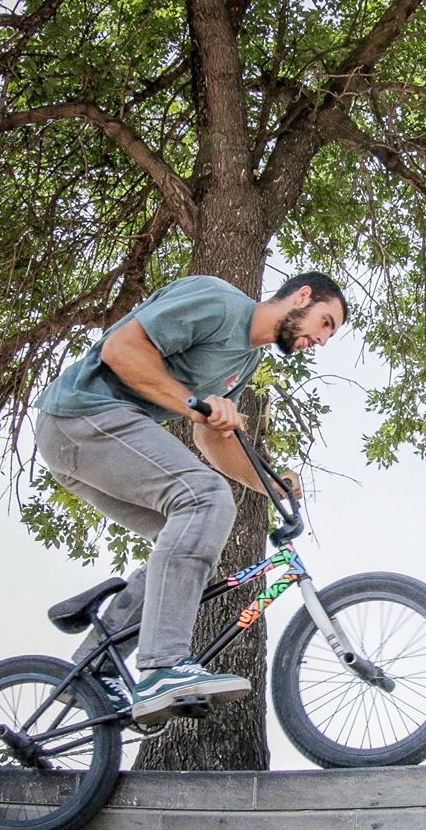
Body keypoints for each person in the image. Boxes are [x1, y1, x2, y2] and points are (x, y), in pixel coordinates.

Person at [33, 272, 347, 722]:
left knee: (191, 535)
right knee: (204, 499)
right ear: (301, 296)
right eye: (325, 322)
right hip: (82, 417)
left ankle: (92, 671)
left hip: (92, 446)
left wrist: (269, 484)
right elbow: (120, 350)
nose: (319, 339)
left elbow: (212, 436)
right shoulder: (220, 303)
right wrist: (196, 399)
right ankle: (162, 666)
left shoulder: (247, 360)